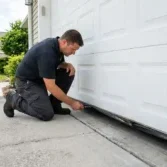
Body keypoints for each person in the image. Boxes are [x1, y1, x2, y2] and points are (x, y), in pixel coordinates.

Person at [2, 29, 84, 121]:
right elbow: (51, 86)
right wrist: (72, 103)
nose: (74, 53)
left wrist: (65, 64)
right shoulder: (47, 52)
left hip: (39, 79)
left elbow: (54, 63)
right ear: (64, 42)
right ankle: (12, 99)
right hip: (26, 82)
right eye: (73, 49)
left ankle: (55, 105)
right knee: (45, 114)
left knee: (68, 72)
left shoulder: (57, 47)